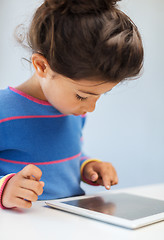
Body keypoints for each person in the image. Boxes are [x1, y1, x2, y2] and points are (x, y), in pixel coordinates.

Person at [0, 0, 143, 209]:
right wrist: (5, 187)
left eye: (100, 95)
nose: (91, 107)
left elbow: (65, 157)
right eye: (82, 96)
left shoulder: (73, 111)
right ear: (41, 66)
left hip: (69, 222)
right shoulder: (4, 110)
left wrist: (86, 166)